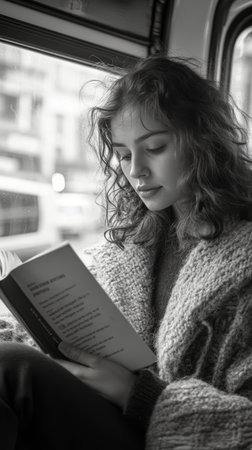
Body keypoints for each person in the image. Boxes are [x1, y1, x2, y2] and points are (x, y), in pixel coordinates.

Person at [1, 54, 252, 449]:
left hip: (165, 434)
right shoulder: (134, 245)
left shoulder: (244, 261)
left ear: (202, 141)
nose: (136, 170)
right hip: (106, 416)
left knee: (10, 369)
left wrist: (144, 397)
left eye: (154, 147)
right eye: (123, 153)